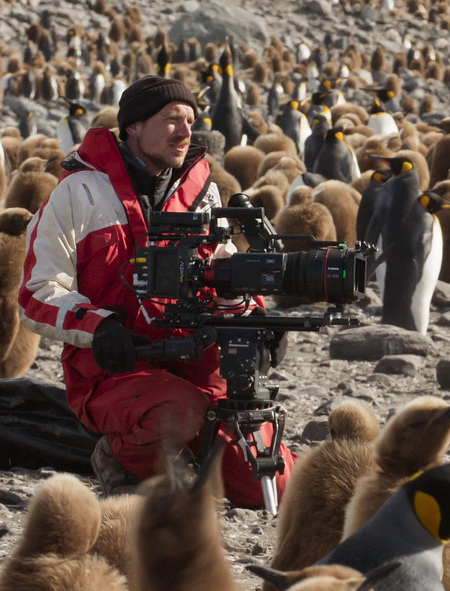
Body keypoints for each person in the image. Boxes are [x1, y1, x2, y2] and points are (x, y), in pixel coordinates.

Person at [17, 75, 296, 505]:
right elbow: (36, 293)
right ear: (133, 126)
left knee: (277, 483)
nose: (186, 132)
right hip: (115, 369)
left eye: (190, 120)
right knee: (179, 412)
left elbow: (226, 274)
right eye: (171, 120)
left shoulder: (201, 192)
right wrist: (100, 328)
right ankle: (119, 455)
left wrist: (255, 319)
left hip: (197, 360)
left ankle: (194, 455)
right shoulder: (80, 192)